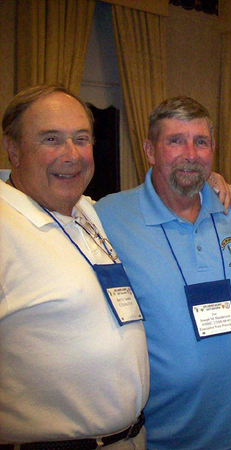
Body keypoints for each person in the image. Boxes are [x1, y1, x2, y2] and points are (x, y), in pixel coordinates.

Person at [95, 96, 231, 450]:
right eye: (175, 141)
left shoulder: (230, 209)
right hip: (163, 436)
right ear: (149, 150)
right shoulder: (108, 217)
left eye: (201, 142)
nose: (190, 153)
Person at [0, 85, 148, 448]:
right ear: (14, 149)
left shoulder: (89, 212)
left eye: (81, 139)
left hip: (131, 438)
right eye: (52, 139)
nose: (72, 155)